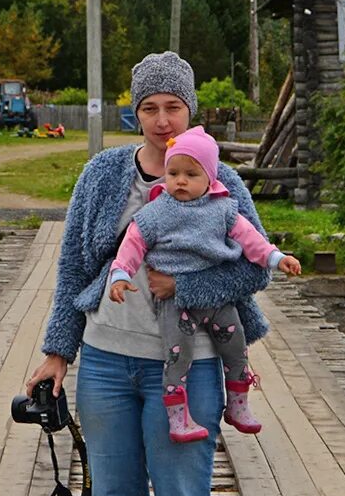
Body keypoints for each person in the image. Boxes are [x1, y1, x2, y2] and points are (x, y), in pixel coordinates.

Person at [25, 51, 272, 496]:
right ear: (134, 114)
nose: (163, 122)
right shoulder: (103, 176)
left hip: (186, 365)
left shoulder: (224, 185)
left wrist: (183, 283)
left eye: (174, 107)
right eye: (151, 109)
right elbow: (72, 269)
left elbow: (256, 270)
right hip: (106, 362)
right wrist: (58, 352)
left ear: (191, 111)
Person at [107, 126, 301, 441]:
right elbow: (132, 244)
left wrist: (277, 258)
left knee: (236, 346)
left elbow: (253, 242)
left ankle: (237, 404)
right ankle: (178, 417)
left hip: (217, 300)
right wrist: (120, 274)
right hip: (175, 303)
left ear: (210, 178)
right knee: (177, 355)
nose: (180, 181)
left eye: (190, 174)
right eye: (173, 173)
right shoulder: (156, 212)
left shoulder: (224, 210)